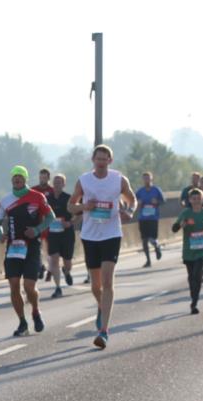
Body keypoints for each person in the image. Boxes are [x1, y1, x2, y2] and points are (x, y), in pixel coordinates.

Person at [68, 144, 136, 349]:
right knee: (95, 286)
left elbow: (132, 200)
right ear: (93, 160)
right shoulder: (84, 180)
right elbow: (70, 205)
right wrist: (83, 207)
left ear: (110, 161)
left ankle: (104, 331)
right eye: (98, 158)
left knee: (107, 282)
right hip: (90, 236)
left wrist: (130, 211)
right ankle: (101, 306)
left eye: (104, 159)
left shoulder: (119, 179)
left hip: (111, 234)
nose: (101, 162)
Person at [0, 166, 54, 335]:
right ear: (11, 180)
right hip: (13, 247)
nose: (17, 179)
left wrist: (36, 230)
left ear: (25, 179)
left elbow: (50, 217)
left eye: (20, 176)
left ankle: (35, 310)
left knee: (29, 286)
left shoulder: (37, 197)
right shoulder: (6, 200)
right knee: (14, 285)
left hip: (32, 246)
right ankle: (22, 322)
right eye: (14, 177)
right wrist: (0, 235)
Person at [172, 189, 203, 315]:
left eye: (199, 198)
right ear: (190, 200)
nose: (196, 201)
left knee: (197, 276)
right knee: (191, 277)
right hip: (189, 251)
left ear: (202, 199)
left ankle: (194, 303)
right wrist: (181, 225)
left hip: (202, 250)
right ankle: (193, 295)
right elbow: (174, 228)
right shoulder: (185, 213)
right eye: (194, 199)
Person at [45, 173, 76, 297]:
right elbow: (41, 214)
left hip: (67, 234)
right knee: (54, 260)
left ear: (64, 184)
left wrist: (70, 223)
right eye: (55, 182)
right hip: (52, 234)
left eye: (60, 182)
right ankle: (58, 287)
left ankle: (66, 271)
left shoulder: (69, 198)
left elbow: (79, 214)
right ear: (53, 184)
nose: (57, 184)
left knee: (67, 261)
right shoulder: (47, 199)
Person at [135, 171, 165, 267]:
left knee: (152, 238)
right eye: (145, 178)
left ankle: (157, 247)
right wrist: (138, 203)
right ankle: (148, 260)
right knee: (144, 239)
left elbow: (163, 201)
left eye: (148, 178)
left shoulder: (156, 190)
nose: (146, 180)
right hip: (142, 218)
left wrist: (157, 202)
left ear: (151, 179)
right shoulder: (140, 191)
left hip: (153, 217)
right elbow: (133, 201)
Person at [33, 168, 54, 281]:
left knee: (50, 248)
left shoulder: (52, 190)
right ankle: (40, 266)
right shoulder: (34, 190)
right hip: (38, 223)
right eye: (41, 177)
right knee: (38, 246)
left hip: (50, 223)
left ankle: (50, 269)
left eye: (45, 178)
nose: (42, 180)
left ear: (48, 178)